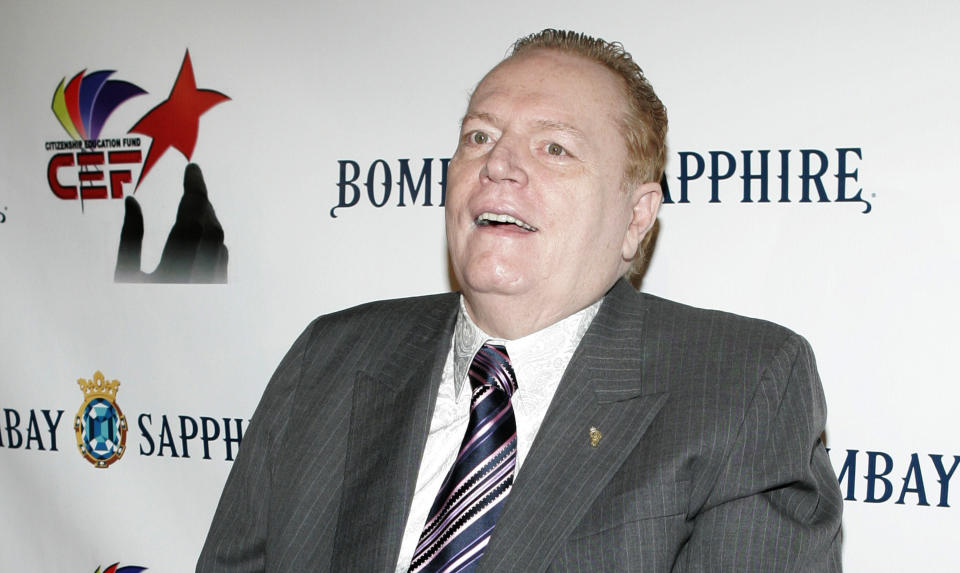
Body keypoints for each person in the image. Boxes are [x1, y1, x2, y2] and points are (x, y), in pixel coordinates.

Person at [197, 29, 843, 572]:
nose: (498, 163)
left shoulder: (743, 385)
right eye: (479, 136)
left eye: (554, 147)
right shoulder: (328, 358)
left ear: (637, 218)